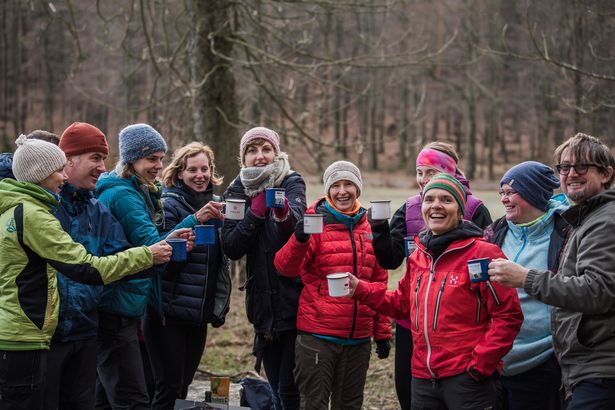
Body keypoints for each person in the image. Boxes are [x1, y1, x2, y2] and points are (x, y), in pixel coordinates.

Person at [0, 135, 172, 409]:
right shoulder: (34, 215)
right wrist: (147, 255)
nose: (63, 177)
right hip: (31, 336)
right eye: (58, 170)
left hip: (66, 331)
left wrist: (150, 259)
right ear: (42, 174)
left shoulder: (25, 209)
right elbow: (86, 267)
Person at [350, 173, 522, 409]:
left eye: (446, 199)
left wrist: (481, 364)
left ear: (460, 210)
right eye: (429, 199)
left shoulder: (483, 254)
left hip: (467, 379)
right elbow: (401, 304)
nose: (436, 206)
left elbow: (508, 315)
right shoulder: (418, 255)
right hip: (422, 378)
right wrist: (360, 288)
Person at [488, 133, 615, 409]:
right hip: (572, 365)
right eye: (564, 167)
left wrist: (525, 278)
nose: (571, 174)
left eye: (581, 166)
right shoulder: (586, 218)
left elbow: (599, 290)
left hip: (597, 368)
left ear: (606, 174)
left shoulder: (604, 221)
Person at [369, 141, 492, 409]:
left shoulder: (475, 208)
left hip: (460, 328)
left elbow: (490, 269)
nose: (423, 180)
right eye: (419, 172)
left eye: (431, 173)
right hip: (411, 323)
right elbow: (390, 260)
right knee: (410, 395)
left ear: (449, 173)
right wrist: (378, 230)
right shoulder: (411, 207)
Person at [42, 122, 147, 409]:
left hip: (87, 333)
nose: (103, 167)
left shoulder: (96, 209)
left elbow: (123, 258)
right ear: (69, 160)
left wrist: (161, 252)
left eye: (104, 159)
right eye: (96, 158)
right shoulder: (44, 206)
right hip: (45, 339)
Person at [94, 124, 199, 409]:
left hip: (119, 302)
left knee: (103, 396)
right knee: (132, 398)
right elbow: (152, 247)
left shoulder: (134, 190)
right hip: (116, 306)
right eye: (152, 158)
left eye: (161, 158)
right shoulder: (125, 196)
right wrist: (192, 223)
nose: (159, 166)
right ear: (133, 159)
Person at [274, 160, 392, 410]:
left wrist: (381, 333)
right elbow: (285, 267)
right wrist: (299, 238)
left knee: (349, 405)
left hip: (358, 339)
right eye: (335, 185)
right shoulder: (314, 222)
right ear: (327, 190)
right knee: (314, 405)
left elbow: (379, 281)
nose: (342, 191)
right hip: (318, 337)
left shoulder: (370, 226)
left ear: (358, 189)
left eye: (348, 184)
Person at [222, 127, 306, 410]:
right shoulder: (236, 190)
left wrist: (282, 214)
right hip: (262, 304)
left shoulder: (292, 181)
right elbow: (232, 246)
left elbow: (298, 231)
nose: (260, 157)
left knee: (289, 388)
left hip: (293, 299)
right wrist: (256, 211)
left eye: (266, 149)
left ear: (276, 153)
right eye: (252, 150)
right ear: (243, 157)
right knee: (274, 388)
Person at [144, 142, 231, 409]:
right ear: (179, 173)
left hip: (198, 314)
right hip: (167, 316)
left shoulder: (217, 205)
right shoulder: (168, 204)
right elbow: (159, 261)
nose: (200, 175)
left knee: (182, 387)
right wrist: (190, 230)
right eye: (192, 169)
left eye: (204, 169)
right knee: (167, 388)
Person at [483, 161, 568, 410]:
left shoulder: (566, 234)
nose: (504, 200)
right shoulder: (493, 232)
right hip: (495, 361)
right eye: (502, 193)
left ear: (534, 193)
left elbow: (575, 290)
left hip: (543, 362)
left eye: (511, 192)